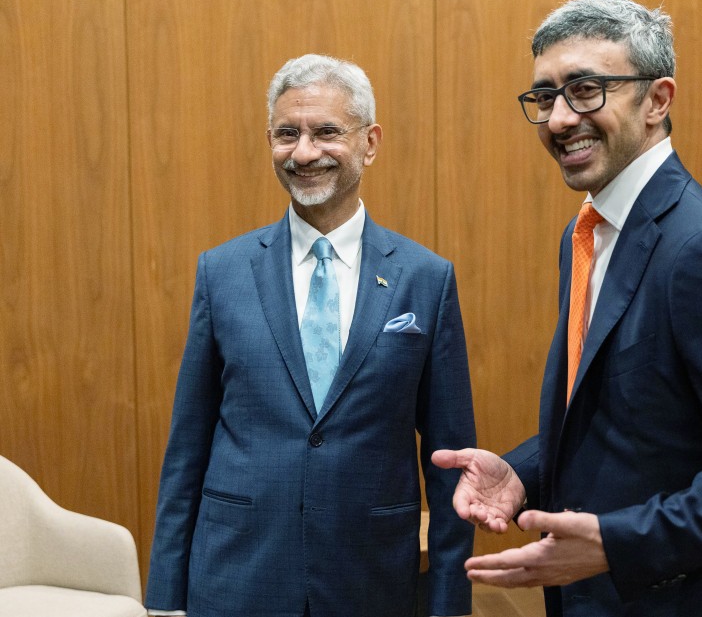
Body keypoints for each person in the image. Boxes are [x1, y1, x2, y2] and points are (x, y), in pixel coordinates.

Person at [432, 0, 702, 616]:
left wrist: (617, 542)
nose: (559, 119)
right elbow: (623, 413)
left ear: (658, 100)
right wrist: (523, 471)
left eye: (586, 90)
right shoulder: (586, 231)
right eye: (545, 96)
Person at [146, 54, 475, 617]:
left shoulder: (426, 279)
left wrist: (450, 598)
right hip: (237, 574)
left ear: (369, 143)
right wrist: (165, 594)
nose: (303, 153)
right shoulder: (222, 272)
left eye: (326, 132)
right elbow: (187, 446)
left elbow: (449, 460)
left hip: (371, 579)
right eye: (286, 134)